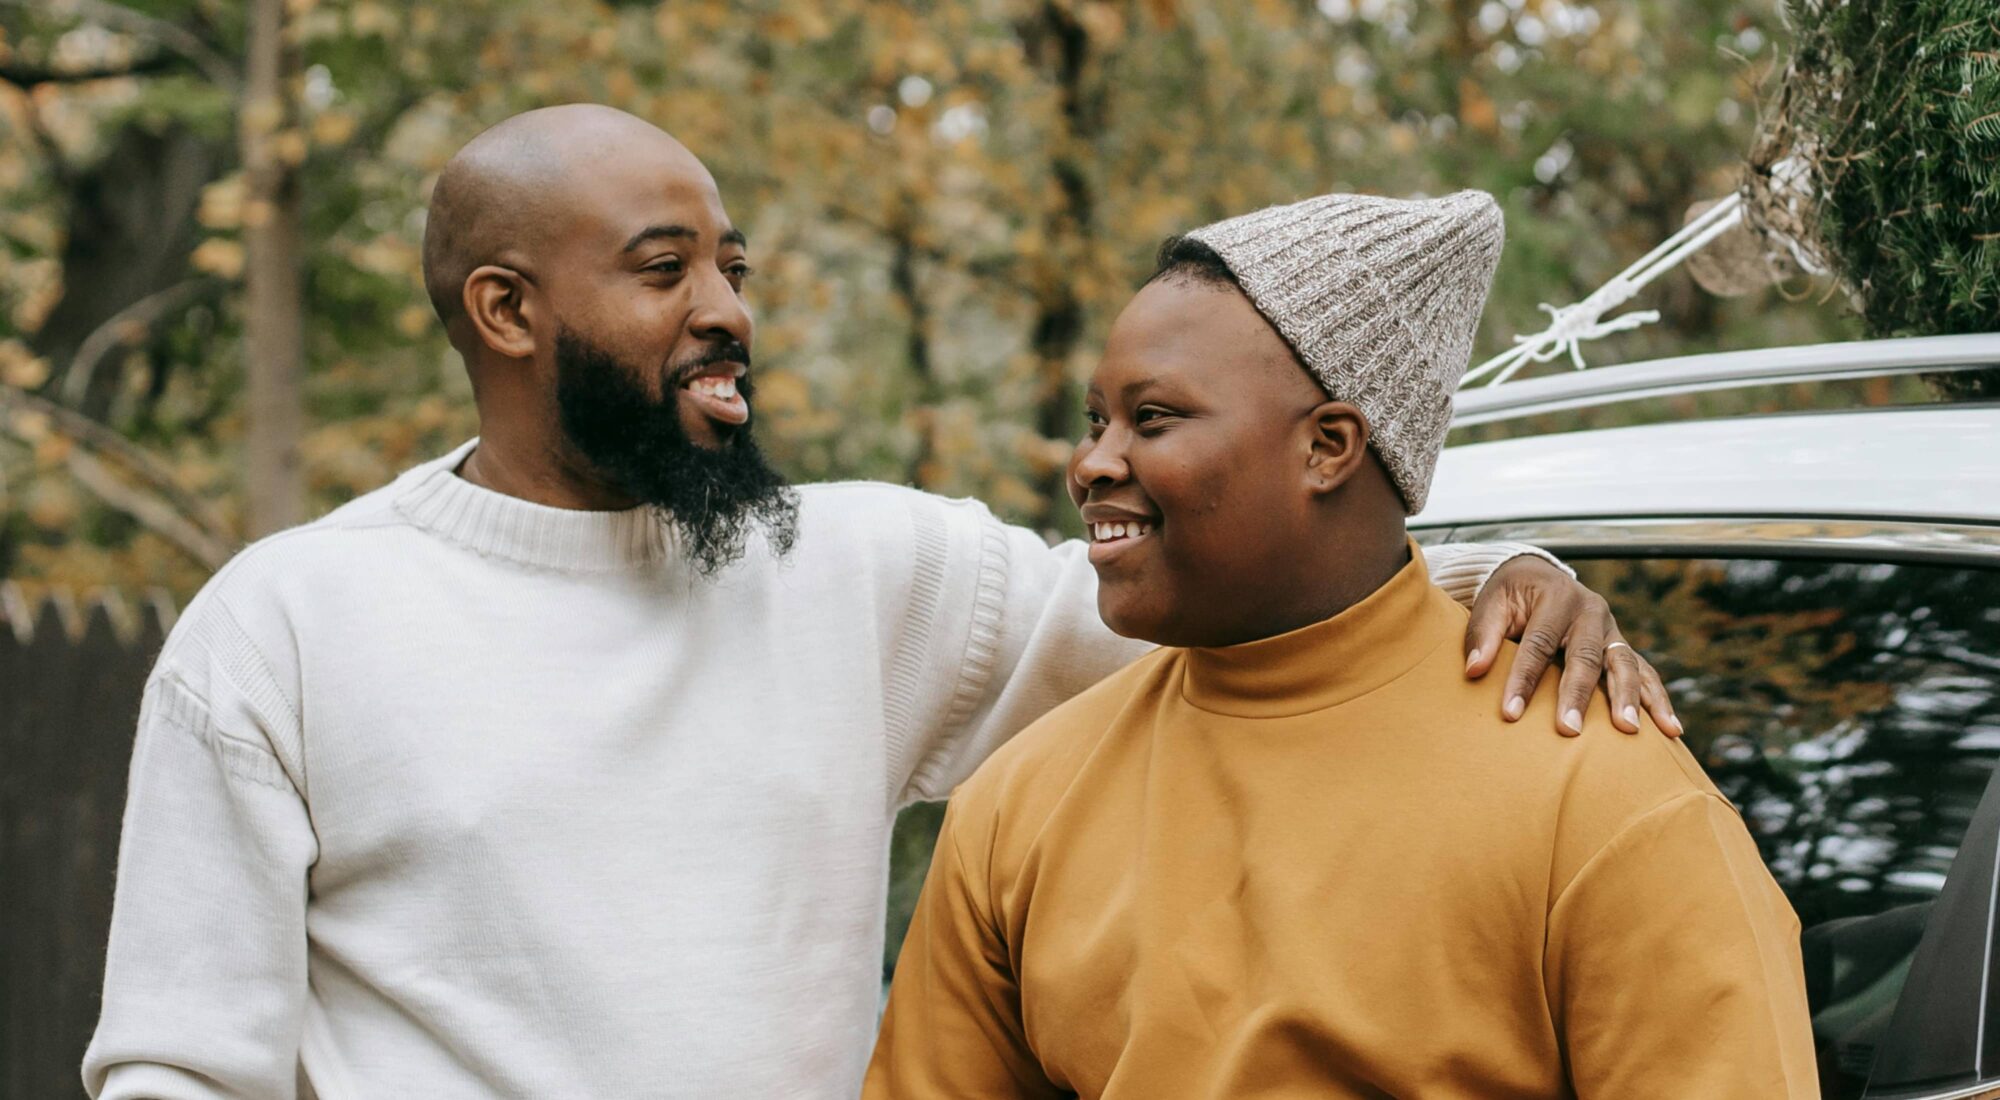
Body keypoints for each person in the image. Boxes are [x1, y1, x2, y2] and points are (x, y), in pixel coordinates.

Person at [83, 107, 1677, 1098]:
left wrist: (1497, 576)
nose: (726, 313)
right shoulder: (287, 624)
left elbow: (1244, 611)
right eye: (664, 271)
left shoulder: (857, 569)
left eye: (736, 268)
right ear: (507, 308)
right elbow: (180, 1065)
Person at [866, 191, 1817, 1098]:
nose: (1091, 463)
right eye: (1095, 421)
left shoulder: (1601, 794)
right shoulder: (1017, 804)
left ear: (1328, 447)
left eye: (1151, 419)